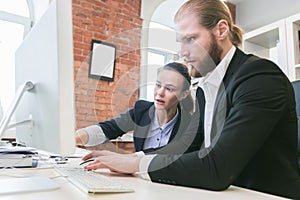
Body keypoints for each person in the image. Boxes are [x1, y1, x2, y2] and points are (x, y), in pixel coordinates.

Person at [80, 0, 300, 199]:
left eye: (191, 39)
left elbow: (218, 167)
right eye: (180, 42)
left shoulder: (258, 77)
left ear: (221, 30)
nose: (183, 52)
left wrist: (135, 163)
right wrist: (127, 159)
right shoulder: (205, 89)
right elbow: (187, 150)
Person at [76, 62, 199, 154]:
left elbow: (170, 158)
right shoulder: (141, 111)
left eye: (169, 89)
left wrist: (126, 159)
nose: (160, 93)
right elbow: (106, 129)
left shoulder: (189, 125)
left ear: (184, 94)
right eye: (158, 85)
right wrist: (72, 139)